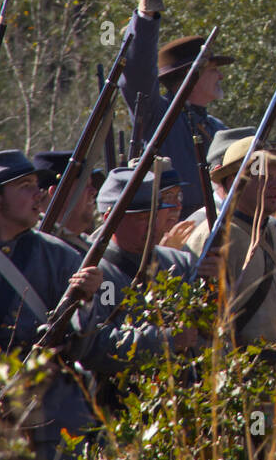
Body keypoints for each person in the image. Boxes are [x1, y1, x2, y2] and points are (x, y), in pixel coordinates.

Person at [0, 150, 104, 460]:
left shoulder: (62, 256)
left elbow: (85, 345)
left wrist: (87, 302)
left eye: (37, 184)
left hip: (52, 417)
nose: (39, 194)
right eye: (25, 185)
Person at [85, 165, 219, 407]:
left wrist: (216, 290)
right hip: (122, 406)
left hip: (183, 402)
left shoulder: (180, 263)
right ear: (109, 219)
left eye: (155, 215)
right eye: (141, 218)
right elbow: (99, 345)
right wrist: (167, 339)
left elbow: (211, 328)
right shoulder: (99, 275)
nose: (153, 225)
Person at [118, 0, 234, 218]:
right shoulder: (160, 115)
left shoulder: (216, 127)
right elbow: (135, 72)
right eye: (213, 69)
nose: (221, 76)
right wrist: (147, 15)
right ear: (187, 77)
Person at [183, 136, 276, 346]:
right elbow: (197, 320)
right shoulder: (213, 235)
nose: (275, 184)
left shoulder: (269, 229)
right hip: (238, 369)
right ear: (235, 182)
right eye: (264, 176)